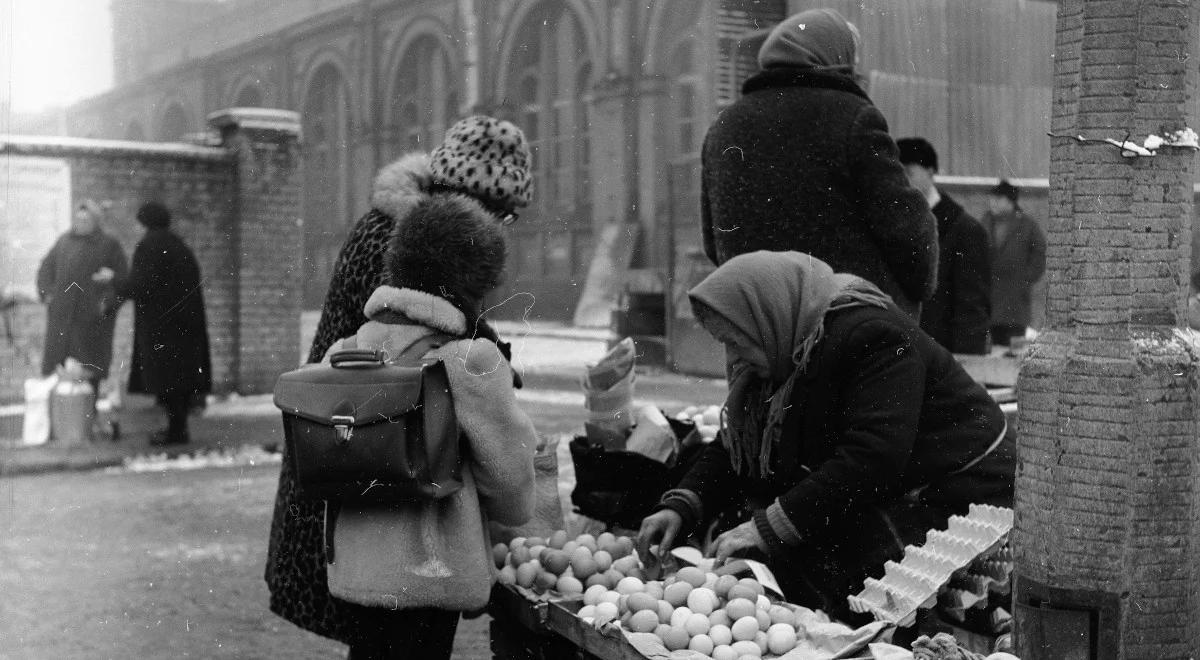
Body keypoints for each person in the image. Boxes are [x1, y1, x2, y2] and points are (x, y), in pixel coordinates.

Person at [265, 115, 533, 648]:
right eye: (496, 213)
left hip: (352, 465)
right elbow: (429, 354)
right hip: (375, 460)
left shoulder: (407, 244)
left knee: (374, 636)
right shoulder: (405, 244)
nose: (501, 226)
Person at [637, 251, 1014, 621]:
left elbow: (872, 459)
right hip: (898, 481)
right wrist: (683, 504)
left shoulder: (872, 336)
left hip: (965, 489)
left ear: (767, 315)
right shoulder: (784, 342)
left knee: (825, 573)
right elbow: (740, 443)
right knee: (771, 553)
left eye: (736, 341)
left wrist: (768, 527)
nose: (732, 357)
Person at [322, 193, 536, 659]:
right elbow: (510, 481)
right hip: (429, 574)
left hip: (357, 569)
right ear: (472, 280)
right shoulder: (469, 361)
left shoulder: (343, 352)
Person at [699, 8, 937, 316]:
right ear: (835, 56)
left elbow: (713, 242)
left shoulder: (723, 127)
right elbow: (910, 235)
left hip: (760, 334)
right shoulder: (851, 117)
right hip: (846, 334)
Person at [118, 202, 212, 446]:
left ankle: (175, 433)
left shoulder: (148, 245)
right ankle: (177, 430)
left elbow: (140, 285)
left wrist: (114, 282)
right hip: (184, 327)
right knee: (179, 382)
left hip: (162, 329)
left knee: (167, 381)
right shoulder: (179, 245)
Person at [897, 138, 991, 354]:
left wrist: (966, 366)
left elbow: (972, 309)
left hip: (941, 358)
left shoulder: (963, 229)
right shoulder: (892, 223)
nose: (901, 180)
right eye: (897, 173)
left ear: (930, 172)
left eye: (909, 173)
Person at [36, 199, 128, 394]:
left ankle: (88, 417)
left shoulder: (109, 244)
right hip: (62, 316)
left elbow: (122, 280)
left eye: (87, 219)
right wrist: (47, 294)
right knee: (59, 370)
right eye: (78, 219)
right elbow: (45, 268)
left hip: (90, 320)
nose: (81, 223)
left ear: (95, 221)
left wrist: (106, 304)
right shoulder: (64, 241)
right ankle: (61, 420)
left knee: (88, 370)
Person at [983, 180, 1046, 346]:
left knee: (1013, 347)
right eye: (991, 199)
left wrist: (1025, 277)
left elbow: (1040, 253)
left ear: (1010, 201)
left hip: (1015, 302)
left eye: (998, 199)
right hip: (989, 300)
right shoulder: (985, 222)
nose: (993, 203)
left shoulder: (1027, 225)